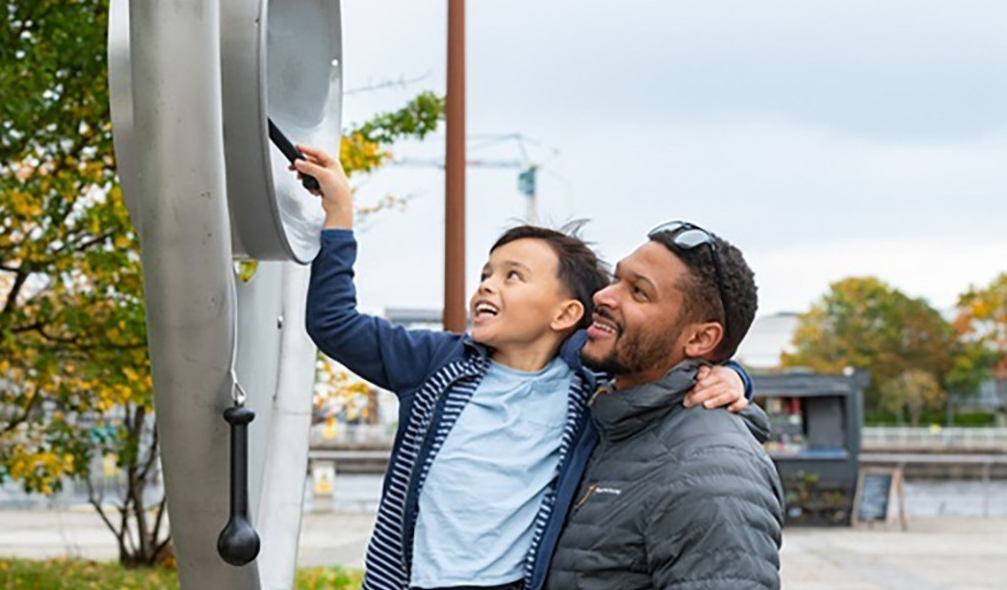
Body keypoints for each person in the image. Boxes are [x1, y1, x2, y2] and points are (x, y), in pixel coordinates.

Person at [292, 147, 754, 590]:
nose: (488, 287)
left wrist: (732, 375)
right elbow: (334, 324)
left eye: (513, 276)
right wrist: (338, 220)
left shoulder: (586, 380)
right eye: (486, 275)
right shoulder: (435, 363)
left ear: (565, 315)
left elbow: (663, 359)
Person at [544, 221, 785, 590]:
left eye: (638, 292)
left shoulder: (714, 471)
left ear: (701, 338)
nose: (605, 297)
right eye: (617, 279)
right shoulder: (606, 417)